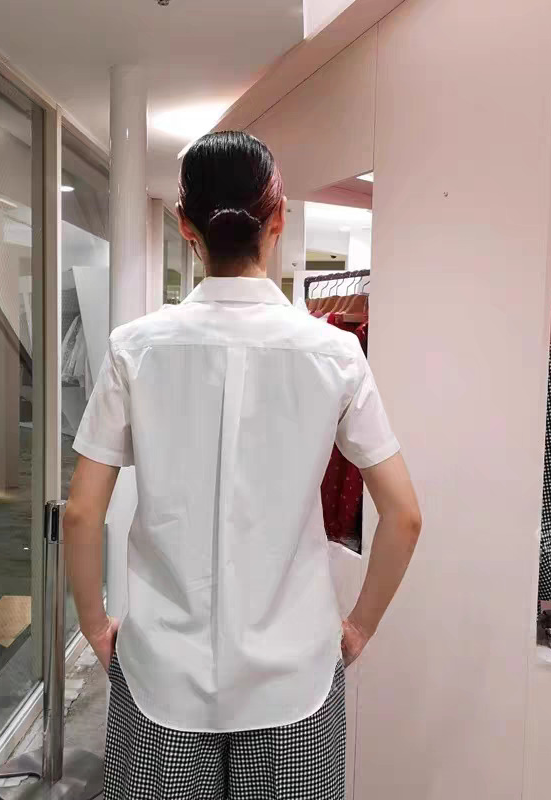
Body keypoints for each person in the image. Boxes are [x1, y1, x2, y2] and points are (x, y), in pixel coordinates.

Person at [65, 131, 422, 799]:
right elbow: (403, 516)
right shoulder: (335, 353)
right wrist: (359, 627)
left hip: (160, 671)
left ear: (186, 226)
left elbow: (83, 512)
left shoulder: (135, 348)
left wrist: (93, 625)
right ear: (277, 218)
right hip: (296, 676)